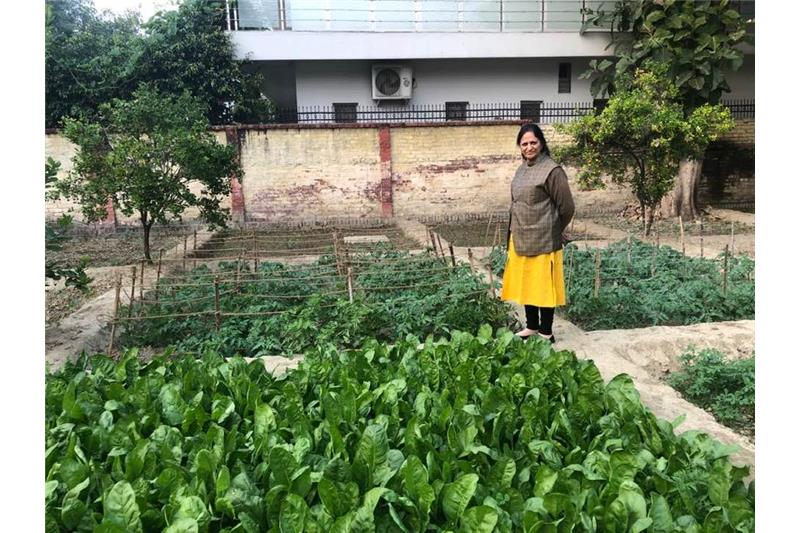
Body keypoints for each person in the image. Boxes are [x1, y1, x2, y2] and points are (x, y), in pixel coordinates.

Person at [500, 123, 575, 343]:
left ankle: (546, 331)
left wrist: (554, 229)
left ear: (541, 143)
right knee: (527, 283)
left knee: (543, 286)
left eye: (533, 142)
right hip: (521, 236)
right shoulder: (522, 169)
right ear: (519, 147)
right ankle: (531, 326)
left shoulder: (552, 170)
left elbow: (567, 207)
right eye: (525, 144)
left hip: (543, 239)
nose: (529, 147)